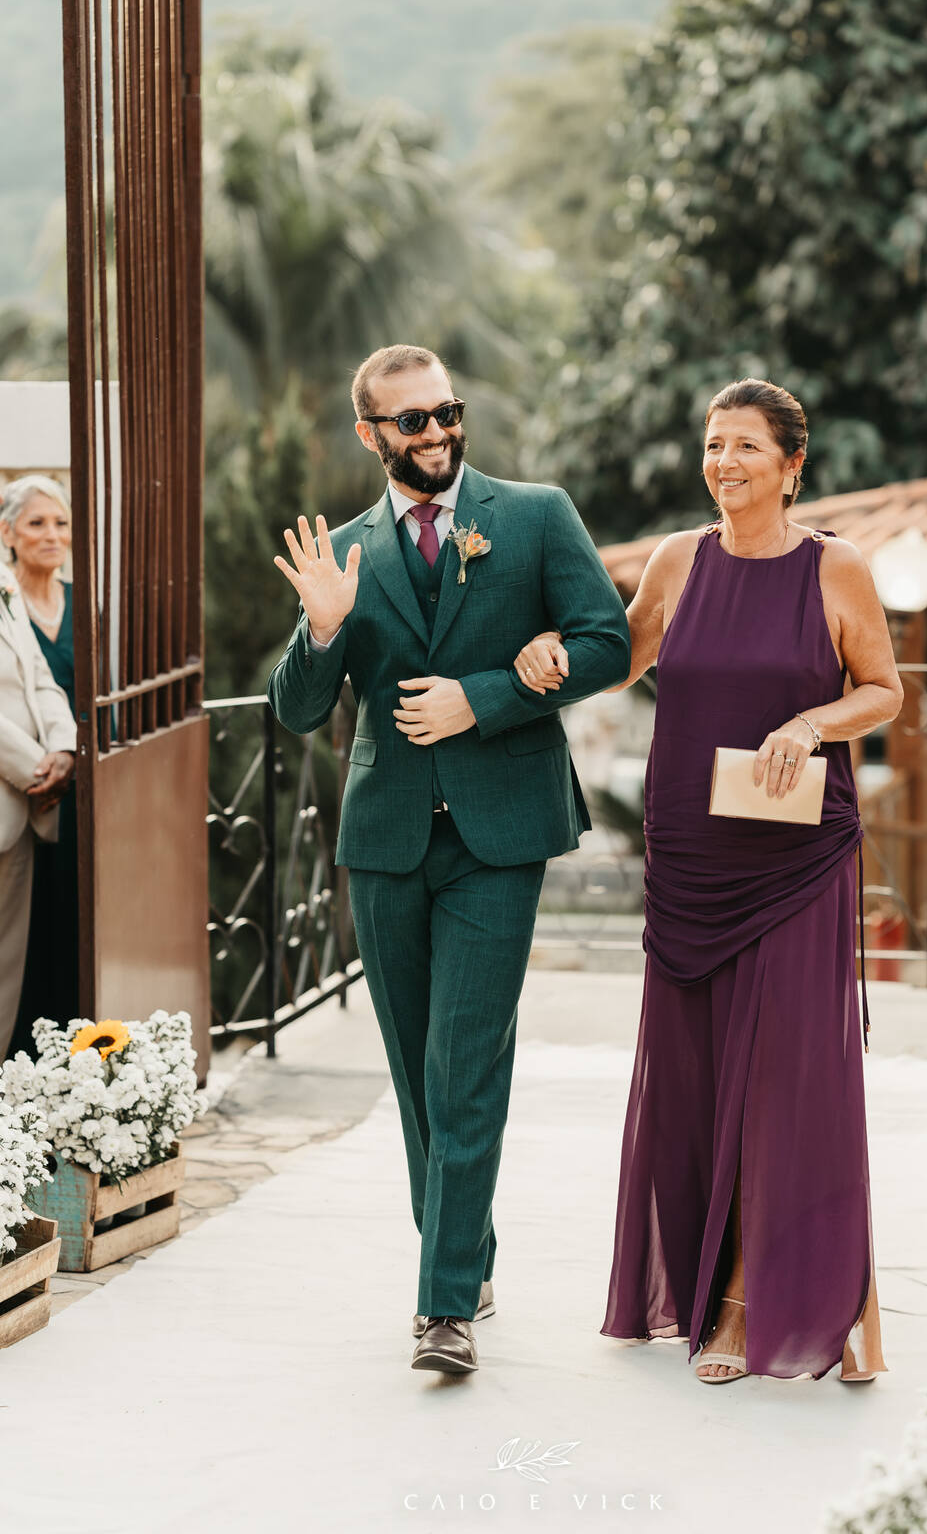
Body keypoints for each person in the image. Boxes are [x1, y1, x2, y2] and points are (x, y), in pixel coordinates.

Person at [516, 378, 903, 1384]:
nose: (723, 462)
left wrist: (807, 722)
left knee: (791, 1083)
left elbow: (880, 690)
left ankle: (760, 1300)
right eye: (712, 443)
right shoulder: (678, 562)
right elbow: (621, 654)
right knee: (694, 1080)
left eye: (744, 446)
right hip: (688, 854)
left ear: (790, 465)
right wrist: (555, 650)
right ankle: (793, 1295)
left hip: (794, 856)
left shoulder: (836, 568)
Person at [267, 344, 630, 1376]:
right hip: (384, 840)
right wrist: (323, 629)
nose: (434, 434)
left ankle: (441, 1309)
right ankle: (466, 1253)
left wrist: (491, 695)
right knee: (416, 1070)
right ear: (369, 434)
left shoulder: (533, 514)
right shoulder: (341, 551)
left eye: (445, 413)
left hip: (499, 833)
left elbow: (604, 642)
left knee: (462, 1061)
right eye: (410, 422)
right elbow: (295, 710)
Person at [0, 476, 80, 1055]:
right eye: (36, 523)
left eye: (61, 522)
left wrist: (66, 751)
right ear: (8, 533)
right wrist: (36, 768)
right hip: (20, 788)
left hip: (66, 794)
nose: (52, 535)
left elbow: (46, 685)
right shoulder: (9, 595)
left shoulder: (81, 603)